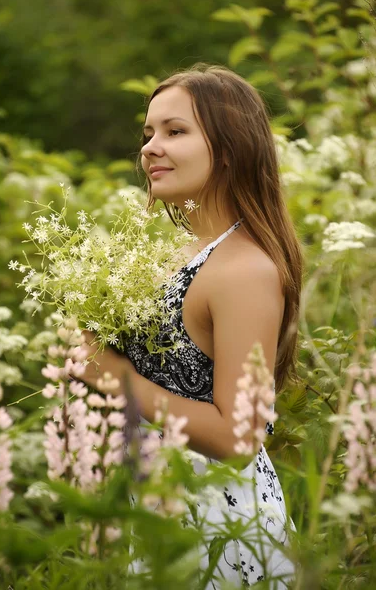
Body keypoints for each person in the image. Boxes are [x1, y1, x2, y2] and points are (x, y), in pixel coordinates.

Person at [79, 63, 302, 588]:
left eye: (175, 131)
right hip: (161, 514)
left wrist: (112, 378)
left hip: (223, 527)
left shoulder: (244, 269)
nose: (151, 147)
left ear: (229, 149)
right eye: (149, 133)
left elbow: (238, 436)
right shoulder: (182, 253)